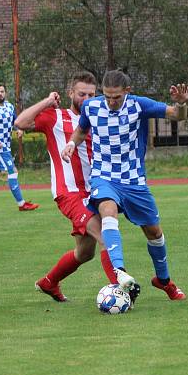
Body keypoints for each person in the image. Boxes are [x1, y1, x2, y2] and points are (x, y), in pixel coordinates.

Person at [61, 70, 188, 301]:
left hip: (133, 180)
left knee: (154, 233)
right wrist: (71, 143)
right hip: (103, 176)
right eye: (107, 96)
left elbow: (177, 116)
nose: (111, 102)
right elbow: (81, 130)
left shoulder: (140, 105)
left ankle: (163, 280)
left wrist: (181, 104)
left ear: (127, 92)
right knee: (107, 210)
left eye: (116, 97)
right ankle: (119, 271)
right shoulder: (92, 107)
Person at [14, 72, 124, 302]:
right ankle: (119, 290)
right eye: (81, 93)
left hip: (96, 191)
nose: (86, 98)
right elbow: (20, 122)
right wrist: (47, 101)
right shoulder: (56, 117)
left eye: (91, 94)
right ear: (70, 93)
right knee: (106, 235)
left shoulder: (98, 117)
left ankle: (49, 282)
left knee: (85, 253)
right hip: (70, 193)